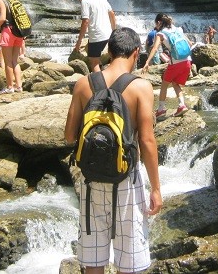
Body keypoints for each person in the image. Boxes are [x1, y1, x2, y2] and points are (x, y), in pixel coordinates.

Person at [64, 27, 162, 274]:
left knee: (93, 262)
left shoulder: (83, 84)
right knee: (129, 264)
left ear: (108, 51)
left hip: (91, 180)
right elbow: (147, 142)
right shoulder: (141, 87)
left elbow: (68, 136)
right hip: (126, 180)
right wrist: (156, 188)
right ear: (137, 52)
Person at [142, 13, 191, 118]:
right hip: (187, 61)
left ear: (159, 22)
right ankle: (182, 105)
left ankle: (161, 109)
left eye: (156, 24)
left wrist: (147, 62)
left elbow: (154, 48)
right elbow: (190, 44)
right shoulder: (178, 29)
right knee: (175, 83)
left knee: (164, 84)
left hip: (175, 63)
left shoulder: (161, 34)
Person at [72, 0, 116, 72]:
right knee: (89, 49)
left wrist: (79, 41)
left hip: (97, 36)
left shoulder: (85, 1)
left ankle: (99, 84)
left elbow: (85, 21)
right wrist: (113, 31)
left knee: (94, 62)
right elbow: (112, 14)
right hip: (108, 34)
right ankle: (105, 71)